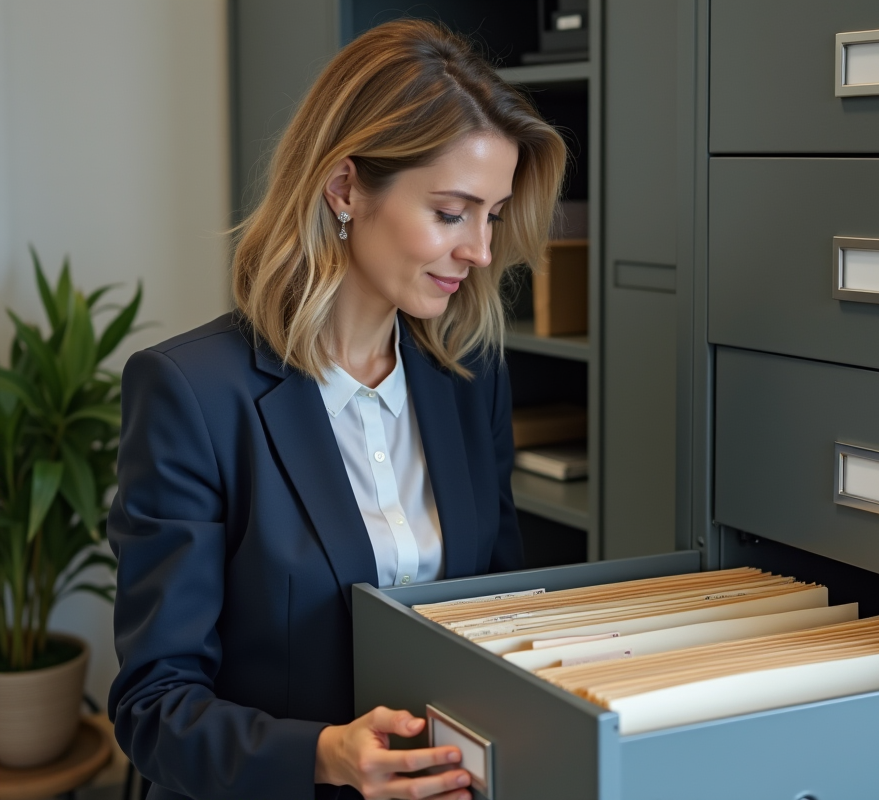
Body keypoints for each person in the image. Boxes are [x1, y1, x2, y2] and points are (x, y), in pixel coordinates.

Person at [107, 19, 566, 800]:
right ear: (346, 188)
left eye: (491, 216)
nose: (482, 251)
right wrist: (324, 755)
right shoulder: (192, 393)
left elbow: (495, 610)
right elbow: (155, 708)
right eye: (453, 213)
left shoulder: (468, 377)